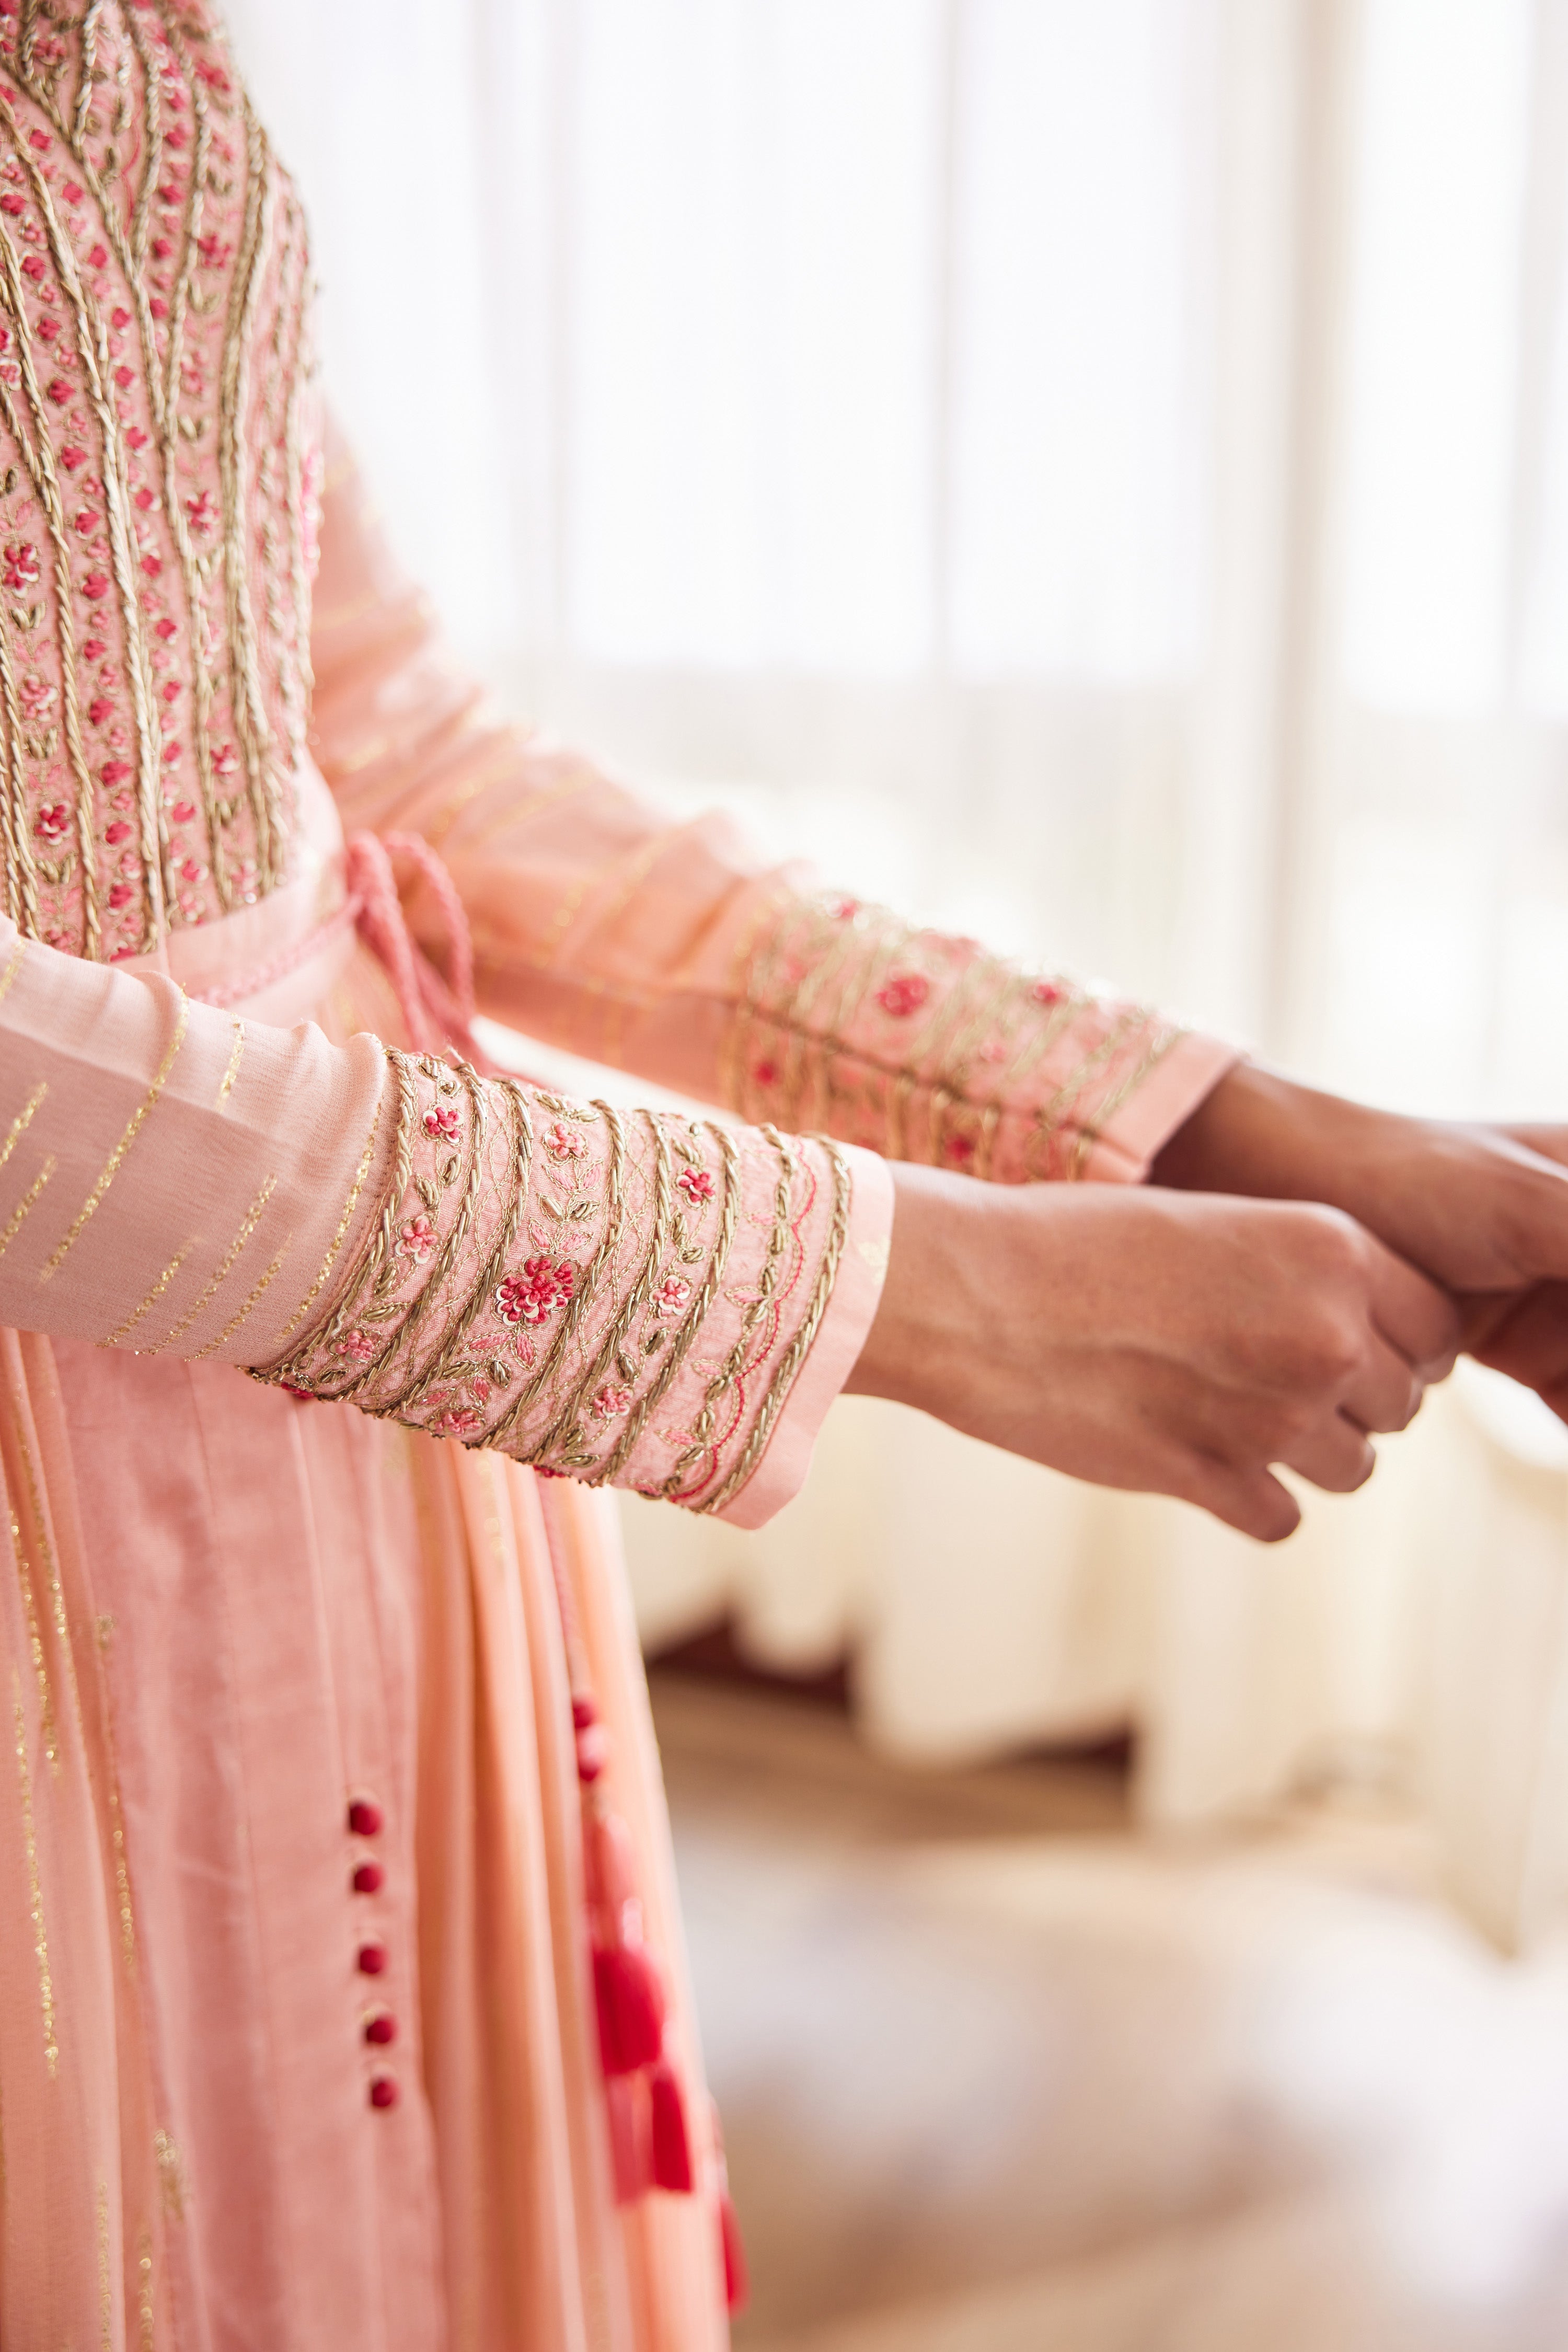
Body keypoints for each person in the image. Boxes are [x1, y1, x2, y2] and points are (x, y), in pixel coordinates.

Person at [3, 9, 1568, 2347]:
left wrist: (1212, 1120)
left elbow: (391, 747)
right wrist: (928, 1302)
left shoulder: (138, 32)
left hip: (370, 1418)